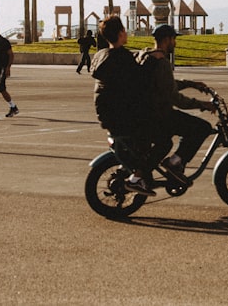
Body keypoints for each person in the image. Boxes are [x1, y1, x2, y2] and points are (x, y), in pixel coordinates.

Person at [137, 25, 216, 185]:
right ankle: (174, 163)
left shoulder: (147, 56)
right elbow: (176, 98)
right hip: (158, 114)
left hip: (146, 113)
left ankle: (149, 171)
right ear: (167, 40)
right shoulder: (162, 62)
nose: (175, 43)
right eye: (174, 39)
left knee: (167, 141)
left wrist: (192, 84)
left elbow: (165, 84)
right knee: (202, 127)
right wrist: (204, 105)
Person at [89, 15, 154, 195]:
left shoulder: (102, 55)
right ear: (120, 33)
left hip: (107, 113)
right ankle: (139, 176)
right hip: (121, 116)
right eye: (124, 30)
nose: (126, 33)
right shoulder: (123, 58)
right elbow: (141, 80)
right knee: (158, 134)